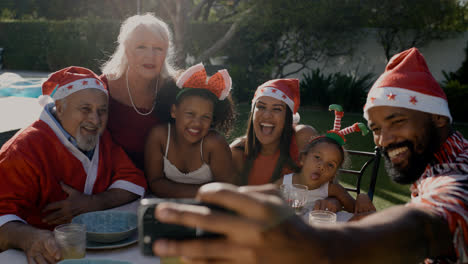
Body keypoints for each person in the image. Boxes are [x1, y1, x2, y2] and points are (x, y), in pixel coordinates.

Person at [151, 47, 467, 263]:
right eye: (375, 127)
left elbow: (432, 222)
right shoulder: (433, 165)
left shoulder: (458, 171)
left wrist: (318, 244)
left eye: (396, 121)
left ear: (439, 118)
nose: (383, 139)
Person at [0, 66, 147, 263]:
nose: (95, 120)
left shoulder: (101, 139)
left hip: (93, 249)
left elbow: (133, 179)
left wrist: (94, 203)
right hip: (40, 254)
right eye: (85, 109)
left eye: (102, 111)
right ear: (60, 108)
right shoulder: (23, 150)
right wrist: (28, 237)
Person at [100, 13, 179, 170]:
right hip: (110, 177)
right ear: (127, 50)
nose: (150, 56)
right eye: (141, 47)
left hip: (163, 180)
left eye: (158, 48)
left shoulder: (175, 89)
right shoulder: (101, 87)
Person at [145, 63, 236, 198]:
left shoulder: (214, 143)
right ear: (174, 111)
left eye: (205, 117)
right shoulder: (160, 136)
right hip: (165, 207)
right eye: (190, 114)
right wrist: (204, 193)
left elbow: (227, 192)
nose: (197, 123)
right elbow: (155, 182)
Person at [279, 106, 376, 214]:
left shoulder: (333, 189)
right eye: (317, 157)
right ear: (302, 158)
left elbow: (354, 210)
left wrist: (362, 198)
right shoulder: (283, 183)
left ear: (333, 175)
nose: (322, 166)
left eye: (330, 165)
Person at [230, 78, 318, 185]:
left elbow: (328, 186)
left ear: (288, 118)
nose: (267, 115)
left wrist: (333, 201)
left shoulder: (302, 136)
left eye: (277, 109)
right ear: (253, 113)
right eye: (261, 107)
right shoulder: (237, 151)